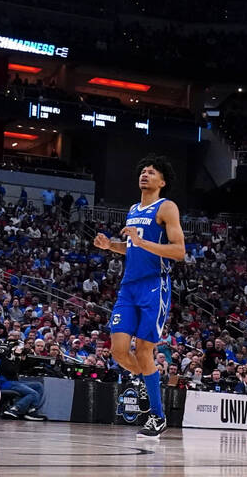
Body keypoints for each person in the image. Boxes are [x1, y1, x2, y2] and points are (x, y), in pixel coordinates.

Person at [92, 154, 187, 439]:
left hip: (154, 286)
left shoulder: (167, 207)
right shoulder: (133, 209)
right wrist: (111, 245)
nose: (145, 174)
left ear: (162, 181)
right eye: (143, 171)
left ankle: (157, 416)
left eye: (152, 172)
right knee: (119, 351)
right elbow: (132, 247)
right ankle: (151, 386)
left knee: (144, 350)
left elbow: (179, 252)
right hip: (129, 286)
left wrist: (143, 241)